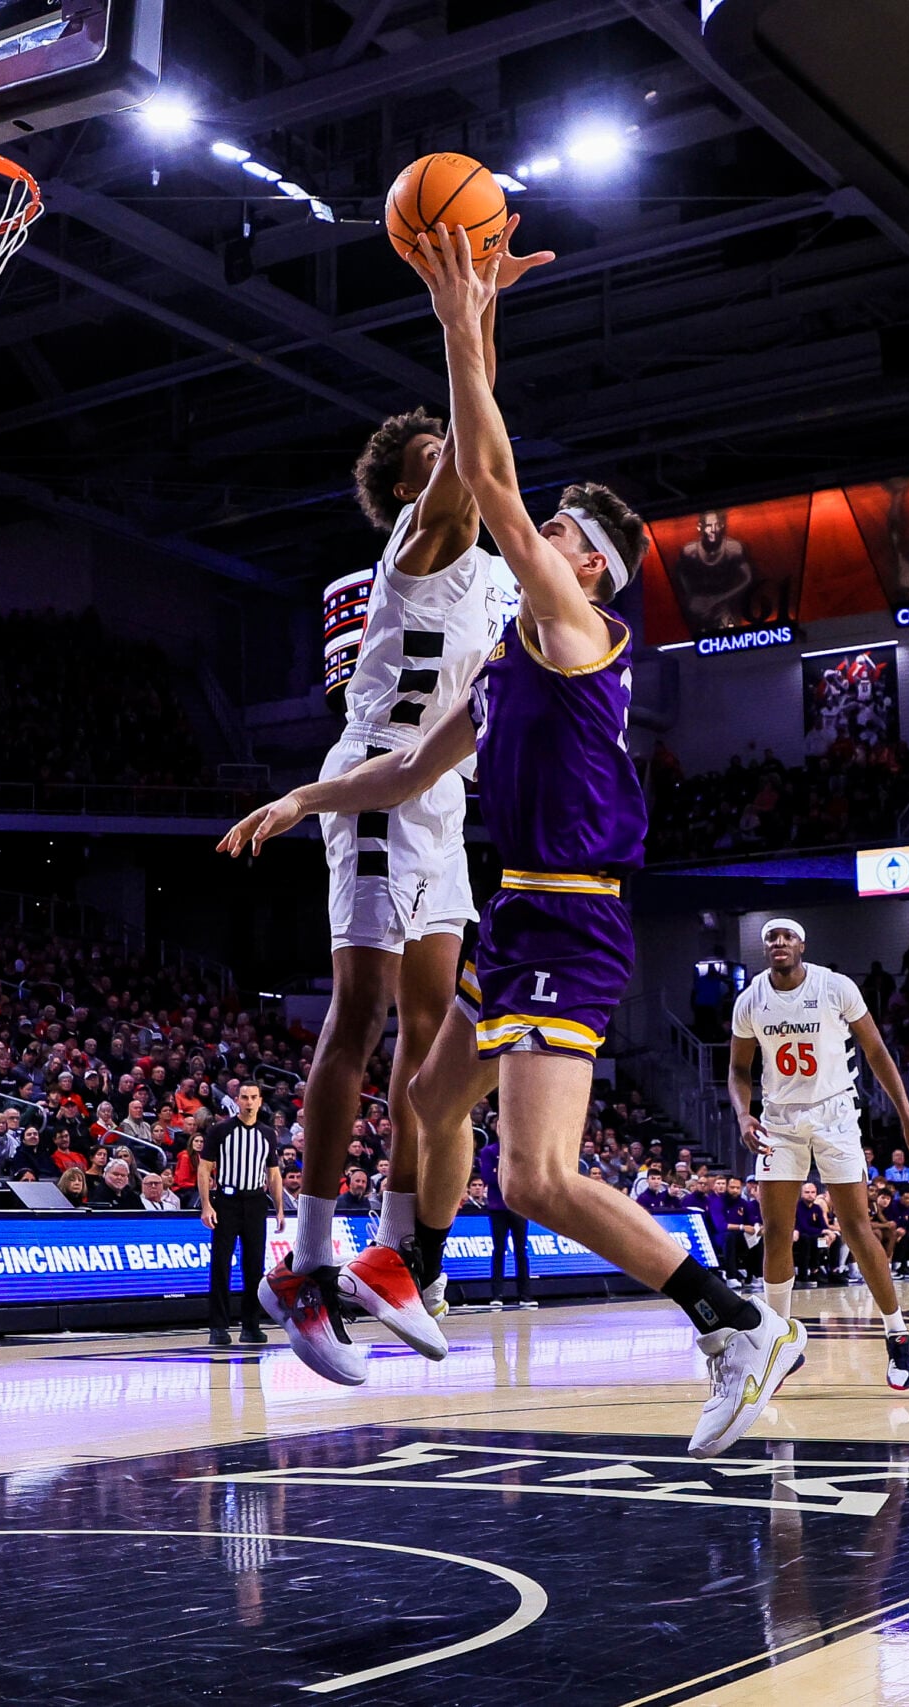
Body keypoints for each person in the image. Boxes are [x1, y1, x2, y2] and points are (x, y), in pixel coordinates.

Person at [223, 219, 791, 1455]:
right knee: (430, 1087)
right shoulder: (503, 663)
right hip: (524, 906)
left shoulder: (575, 629)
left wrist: (461, 310)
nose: (547, 542)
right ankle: (402, 1265)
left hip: (571, 913)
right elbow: (413, 764)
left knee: (533, 1178)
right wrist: (302, 801)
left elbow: (484, 481)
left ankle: (730, 1319)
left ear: (589, 571)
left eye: (568, 541)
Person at [274, 233, 545, 1376]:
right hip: (381, 775)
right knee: (361, 1016)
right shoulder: (417, 539)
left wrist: (482, 322)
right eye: (438, 460)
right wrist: (458, 320)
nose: (462, 466)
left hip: (446, 808)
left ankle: (396, 1258)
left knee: (437, 1041)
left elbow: (490, 450)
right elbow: (467, 462)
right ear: (403, 488)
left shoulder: (493, 560)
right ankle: (307, 1257)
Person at [729, 918, 909, 1391]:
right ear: (765, 950)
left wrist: (907, 1116)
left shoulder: (835, 987)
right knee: (777, 1231)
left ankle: (897, 1335)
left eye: (787, 937)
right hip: (779, 1120)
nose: (779, 943)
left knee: (858, 1228)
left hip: (835, 1115)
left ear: (803, 943)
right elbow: (739, 1070)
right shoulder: (750, 1001)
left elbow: (877, 1052)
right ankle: (777, 1345)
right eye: (771, 939)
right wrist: (743, 1115)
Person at [199, 1082, 285, 1348]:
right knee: (221, 1265)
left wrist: (280, 1208)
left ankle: (251, 1325)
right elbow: (203, 1170)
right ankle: (218, 1327)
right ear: (237, 1100)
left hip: (256, 1202)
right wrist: (206, 1205)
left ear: (260, 1101)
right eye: (244, 1097)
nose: (248, 1102)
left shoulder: (268, 1134)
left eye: (253, 1098)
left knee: (254, 1267)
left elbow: (273, 1174)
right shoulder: (220, 1131)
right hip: (226, 1201)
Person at [477, 1134, 531, 1309]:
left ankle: (525, 1295)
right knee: (499, 1250)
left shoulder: (522, 1150)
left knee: (521, 1251)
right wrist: (510, 1172)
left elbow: (526, 1177)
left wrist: (499, 1170)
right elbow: (488, 1177)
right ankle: (497, 1295)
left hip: (519, 1207)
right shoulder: (489, 1151)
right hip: (497, 1207)